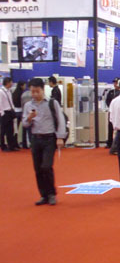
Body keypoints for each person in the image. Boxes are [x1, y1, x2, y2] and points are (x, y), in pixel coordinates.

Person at [22, 78, 66, 206]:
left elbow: (60, 120)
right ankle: (43, 195)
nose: (35, 94)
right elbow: (24, 124)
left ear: (43, 90)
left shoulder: (52, 103)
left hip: (49, 139)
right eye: (32, 91)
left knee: (46, 166)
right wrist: (29, 118)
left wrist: (60, 137)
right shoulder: (28, 105)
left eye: (37, 91)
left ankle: (51, 193)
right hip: (35, 139)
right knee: (37, 168)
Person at [0, 76, 19, 152]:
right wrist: (2, 113)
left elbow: (11, 101)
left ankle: (11, 146)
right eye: (11, 82)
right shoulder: (1, 91)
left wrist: (13, 109)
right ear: (7, 82)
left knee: (11, 130)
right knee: (3, 130)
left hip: (10, 112)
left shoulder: (9, 91)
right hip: (4, 112)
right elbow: (0, 103)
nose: (12, 83)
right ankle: (3, 146)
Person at [105, 77, 120, 152]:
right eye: (114, 82)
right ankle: (109, 142)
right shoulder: (111, 92)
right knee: (110, 127)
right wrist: (111, 107)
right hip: (111, 112)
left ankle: (118, 144)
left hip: (119, 112)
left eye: (116, 82)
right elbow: (107, 101)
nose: (115, 84)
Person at [12, 81, 26, 149]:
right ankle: (20, 143)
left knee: (15, 129)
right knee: (21, 129)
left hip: (15, 111)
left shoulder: (14, 93)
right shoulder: (21, 94)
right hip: (20, 111)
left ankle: (14, 143)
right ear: (21, 86)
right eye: (24, 85)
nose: (25, 87)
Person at [20, 82, 33, 148]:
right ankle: (31, 143)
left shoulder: (23, 94)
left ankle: (24, 144)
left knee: (24, 130)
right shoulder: (32, 95)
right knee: (30, 130)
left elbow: (22, 104)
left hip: (24, 113)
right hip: (32, 114)